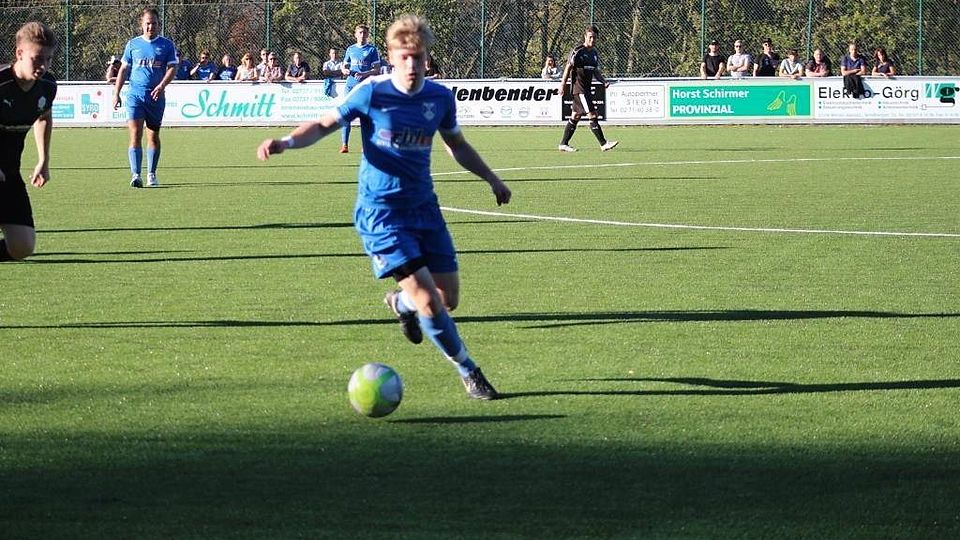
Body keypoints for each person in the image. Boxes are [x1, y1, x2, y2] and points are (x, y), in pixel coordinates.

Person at [256, 14, 510, 401]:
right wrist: (286, 142)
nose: (412, 65)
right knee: (429, 300)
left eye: (418, 57)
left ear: (426, 57)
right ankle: (469, 371)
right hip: (381, 215)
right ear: (391, 57)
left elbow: (456, 145)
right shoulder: (372, 92)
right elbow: (324, 124)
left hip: (425, 209)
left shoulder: (439, 98)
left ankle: (401, 303)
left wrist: (492, 178)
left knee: (448, 299)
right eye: (404, 57)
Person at [1, 22, 57, 262]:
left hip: (9, 173)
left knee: (22, 247)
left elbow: (43, 117)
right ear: (19, 53)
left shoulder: (47, 86)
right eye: (37, 59)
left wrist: (43, 160)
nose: (43, 66)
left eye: (48, 59)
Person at [112, 7, 178, 188]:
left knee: (153, 136)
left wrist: (161, 85)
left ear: (158, 24)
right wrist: (116, 93)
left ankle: (151, 174)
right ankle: (136, 175)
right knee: (135, 134)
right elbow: (123, 70)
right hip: (135, 96)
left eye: (154, 23)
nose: (151, 27)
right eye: (148, 23)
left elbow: (173, 67)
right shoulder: (132, 44)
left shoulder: (166, 45)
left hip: (156, 98)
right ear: (142, 24)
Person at [557, 25, 618, 153]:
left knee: (575, 116)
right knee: (593, 114)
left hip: (586, 89)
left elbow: (595, 71)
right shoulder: (578, 51)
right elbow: (568, 67)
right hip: (579, 89)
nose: (592, 40)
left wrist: (603, 81)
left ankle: (563, 143)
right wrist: (562, 85)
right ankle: (603, 143)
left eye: (594, 38)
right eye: (590, 37)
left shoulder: (594, 53)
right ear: (585, 37)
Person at [339, 23, 381, 153]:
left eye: (364, 33)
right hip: (350, 85)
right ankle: (344, 145)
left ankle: (366, 145)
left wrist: (364, 74)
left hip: (364, 86)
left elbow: (377, 69)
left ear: (367, 35)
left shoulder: (372, 50)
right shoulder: (350, 49)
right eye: (360, 32)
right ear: (355, 34)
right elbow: (344, 66)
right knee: (346, 114)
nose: (362, 35)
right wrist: (344, 70)